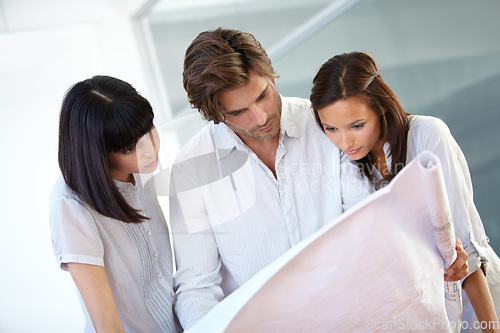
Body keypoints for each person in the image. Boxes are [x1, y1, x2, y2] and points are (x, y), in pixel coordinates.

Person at [168, 28, 468, 330]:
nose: (260, 117)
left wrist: (432, 252)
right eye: (239, 111)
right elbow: (197, 288)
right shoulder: (192, 171)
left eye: (263, 96)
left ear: (272, 75)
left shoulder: (325, 126)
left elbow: (368, 220)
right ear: (215, 114)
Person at [310, 51, 500, 333]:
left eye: (357, 125)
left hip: (476, 299)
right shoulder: (343, 165)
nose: (345, 140)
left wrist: (490, 328)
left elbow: (468, 251)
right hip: (414, 311)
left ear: (380, 108)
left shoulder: (428, 135)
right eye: (331, 128)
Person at [49, 75, 180, 332]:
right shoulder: (70, 204)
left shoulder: (142, 167)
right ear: (97, 153)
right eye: (130, 146)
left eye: (149, 130)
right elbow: (107, 324)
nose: (151, 149)